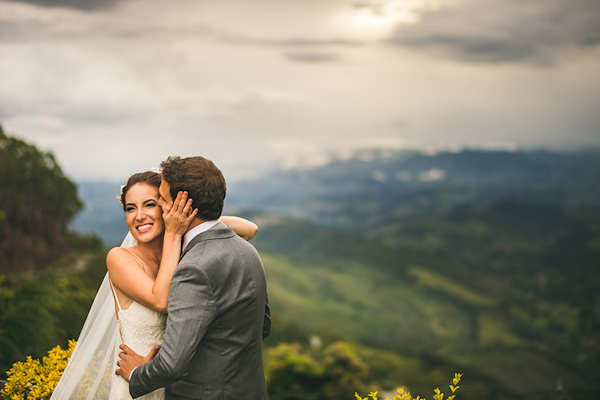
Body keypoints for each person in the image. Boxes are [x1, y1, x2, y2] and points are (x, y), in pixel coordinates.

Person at [50, 169, 259, 400]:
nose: (138, 216)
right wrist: (172, 232)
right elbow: (161, 300)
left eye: (149, 205)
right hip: (136, 383)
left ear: (167, 208)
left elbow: (249, 229)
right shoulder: (119, 258)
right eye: (130, 208)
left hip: (175, 385)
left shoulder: (181, 254)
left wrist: (188, 217)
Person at [115, 156, 271, 400]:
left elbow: (172, 366)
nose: (161, 207)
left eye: (161, 201)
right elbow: (262, 327)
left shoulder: (193, 268)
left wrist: (135, 373)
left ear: (182, 206)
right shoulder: (247, 251)